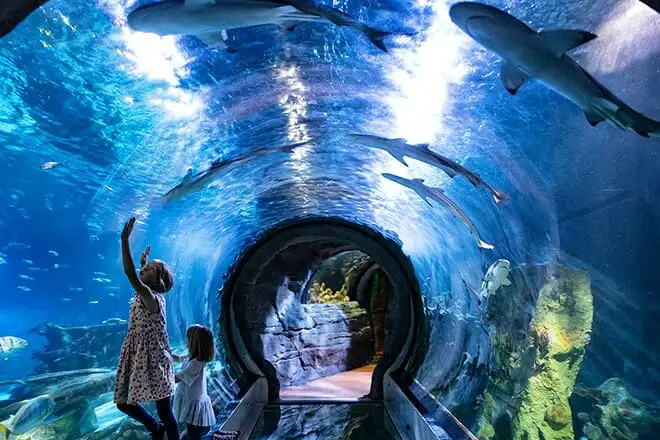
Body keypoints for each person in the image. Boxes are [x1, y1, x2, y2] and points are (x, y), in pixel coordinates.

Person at [114, 217, 179, 440]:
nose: (144, 269)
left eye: (150, 269)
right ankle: (155, 428)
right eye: (146, 267)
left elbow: (131, 274)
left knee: (165, 411)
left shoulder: (150, 297)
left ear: (159, 280)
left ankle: (165, 433)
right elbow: (141, 276)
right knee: (123, 402)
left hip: (154, 358)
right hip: (139, 354)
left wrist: (124, 240)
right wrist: (145, 263)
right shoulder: (149, 294)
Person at [174, 325, 217, 440]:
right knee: (191, 432)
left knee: (194, 433)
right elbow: (178, 358)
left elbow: (176, 379)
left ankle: (215, 437)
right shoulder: (193, 357)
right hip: (192, 402)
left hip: (194, 406)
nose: (186, 340)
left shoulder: (196, 364)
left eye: (187, 338)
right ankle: (214, 436)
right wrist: (166, 354)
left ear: (194, 342)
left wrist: (159, 378)